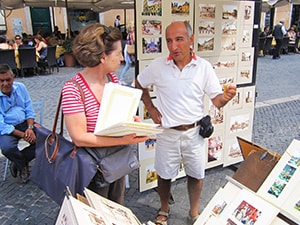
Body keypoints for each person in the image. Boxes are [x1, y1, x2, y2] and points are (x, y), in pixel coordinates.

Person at [136, 21, 236, 225]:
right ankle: (164, 208)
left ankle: (194, 212)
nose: (173, 46)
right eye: (169, 41)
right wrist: (151, 109)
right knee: (164, 175)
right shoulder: (158, 66)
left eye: (179, 40)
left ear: (191, 40)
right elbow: (138, 84)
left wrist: (226, 98)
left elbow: (217, 100)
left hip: (194, 133)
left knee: (196, 175)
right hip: (167, 133)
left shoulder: (203, 67)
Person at [61, 24, 148, 205]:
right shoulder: (73, 89)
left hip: (116, 163)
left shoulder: (112, 80)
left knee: (116, 209)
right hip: (92, 169)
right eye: (118, 54)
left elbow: (116, 117)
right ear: (102, 57)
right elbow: (79, 138)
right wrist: (125, 139)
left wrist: (132, 122)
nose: (122, 58)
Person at [0, 64, 36, 183]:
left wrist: (30, 128)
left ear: (13, 78)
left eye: (8, 80)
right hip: (6, 128)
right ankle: (22, 166)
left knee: (48, 140)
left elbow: (29, 110)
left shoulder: (21, 87)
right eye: (1, 81)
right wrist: (24, 135)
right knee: (7, 148)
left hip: (24, 123)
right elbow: (1, 125)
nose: (5, 84)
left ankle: (19, 161)